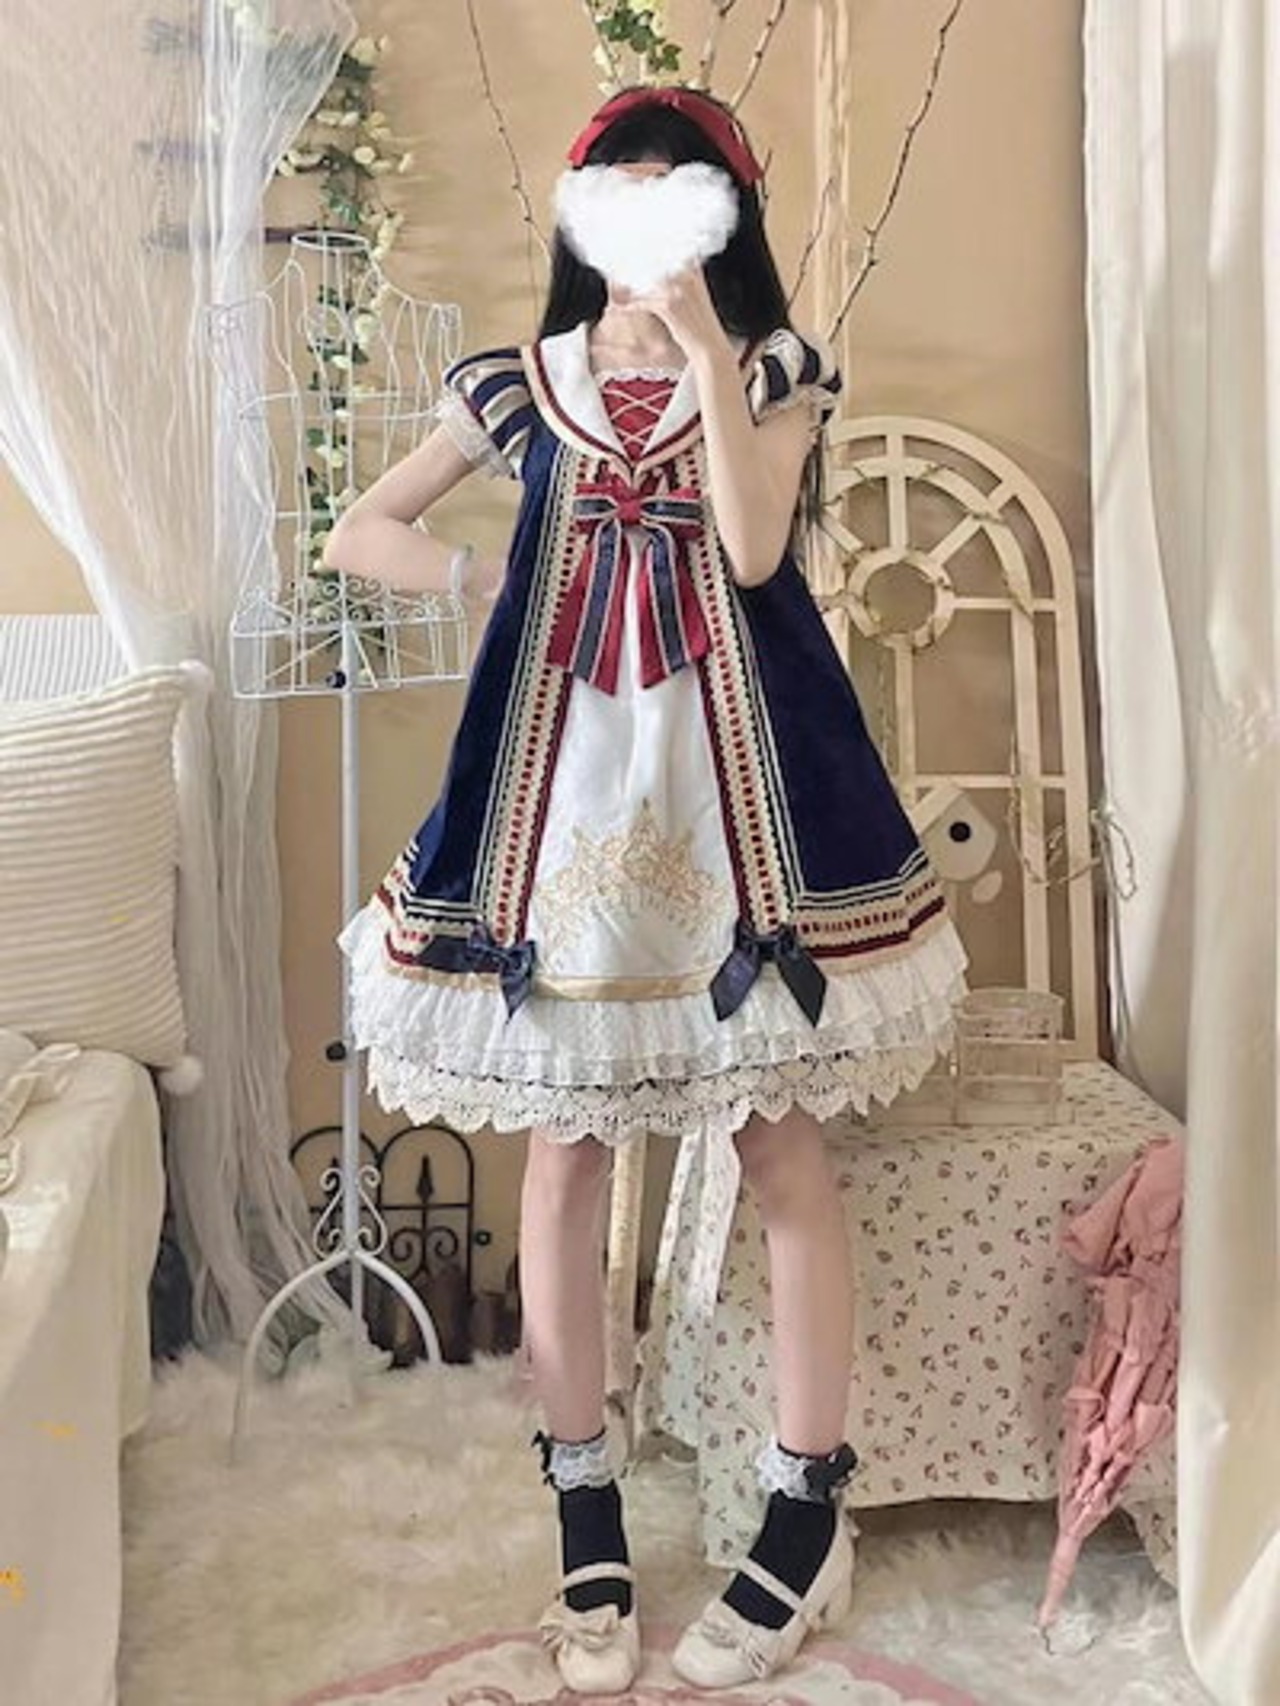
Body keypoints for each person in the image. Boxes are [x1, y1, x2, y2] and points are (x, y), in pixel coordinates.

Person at [325, 83, 968, 1695]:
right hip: (565, 804)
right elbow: (361, 530)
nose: (648, 214)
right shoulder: (522, 381)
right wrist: (483, 574)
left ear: (722, 217)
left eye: (680, 191)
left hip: (745, 805)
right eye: (621, 189)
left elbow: (751, 551)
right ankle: (586, 1511)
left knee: (780, 1146)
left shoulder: (773, 371)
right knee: (565, 1154)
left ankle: (804, 1512)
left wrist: (698, 347)